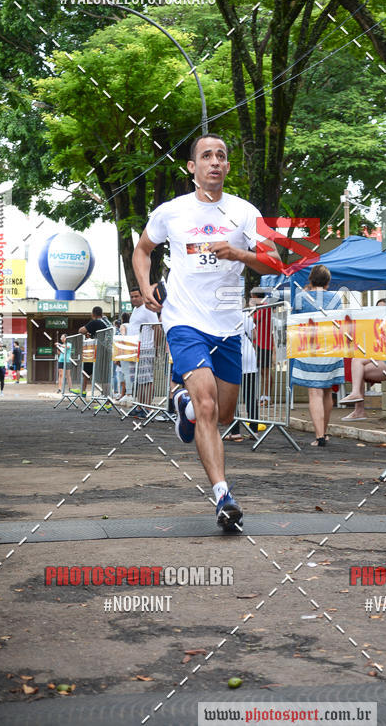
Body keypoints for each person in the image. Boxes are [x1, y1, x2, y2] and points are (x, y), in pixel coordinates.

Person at [132, 133, 280, 531]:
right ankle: (223, 497)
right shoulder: (172, 212)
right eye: (206, 156)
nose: (214, 162)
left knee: (223, 413)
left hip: (228, 325)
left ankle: (184, 406)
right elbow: (142, 249)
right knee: (210, 408)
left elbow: (275, 262)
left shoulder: (246, 213)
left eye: (221, 156)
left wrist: (242, 254)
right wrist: (146, 289)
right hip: (183, 319)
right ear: (191, 168)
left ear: (228, 167)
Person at [291, 264, 344, 446]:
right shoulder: (336, 298)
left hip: (309, 346)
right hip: (331, 346)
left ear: (311, 279)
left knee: (314, 392)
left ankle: (319, 436)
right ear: (328, 281)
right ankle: (325, 431)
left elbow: (294, 320)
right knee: (328, 391)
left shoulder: (301, 297)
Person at [340, 307, 386, 423]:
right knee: (358, 368)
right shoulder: (378, 326)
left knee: (357, 363)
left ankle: (357, 401)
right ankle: (359, 410)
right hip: (384, 360)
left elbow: (383, 347)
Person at [126, 286, 159, 416]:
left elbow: (156, 327)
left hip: (146, 348)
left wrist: (156, 348)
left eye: (136, 296)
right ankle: (140, 406)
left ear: (142, 296)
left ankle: (148, 407)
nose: (134, 299)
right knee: (138, 380)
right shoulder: (135, 310)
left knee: (147, 379)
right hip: (135, 350)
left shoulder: (147, 309)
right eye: (132, 296)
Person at [228, 308, 259, 441]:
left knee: (230, 395)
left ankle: (235, 431)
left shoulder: (220, 314)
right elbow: (254, 335)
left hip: (230, 355)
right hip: (247, 354)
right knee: (250, 395)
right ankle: (254, 430)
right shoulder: (244, 313)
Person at [79, 306, 109, 393]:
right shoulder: (107, 322)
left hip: (99, 351)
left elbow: (81, 330)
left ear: (93, 314)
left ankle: (83, 391)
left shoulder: (96, 322)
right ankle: (106, 397)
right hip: (108, 351)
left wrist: (88, 332)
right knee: (105, 375)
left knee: (86, 371)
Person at [252, 291, 274, 404]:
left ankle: (267, 397)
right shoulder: (261, 307)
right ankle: (264, 396)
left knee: (265, 372)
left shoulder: (265, 307)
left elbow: (253, 321)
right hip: (260, 343)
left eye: (252, 298)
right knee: (262, 372)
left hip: (264, 344)